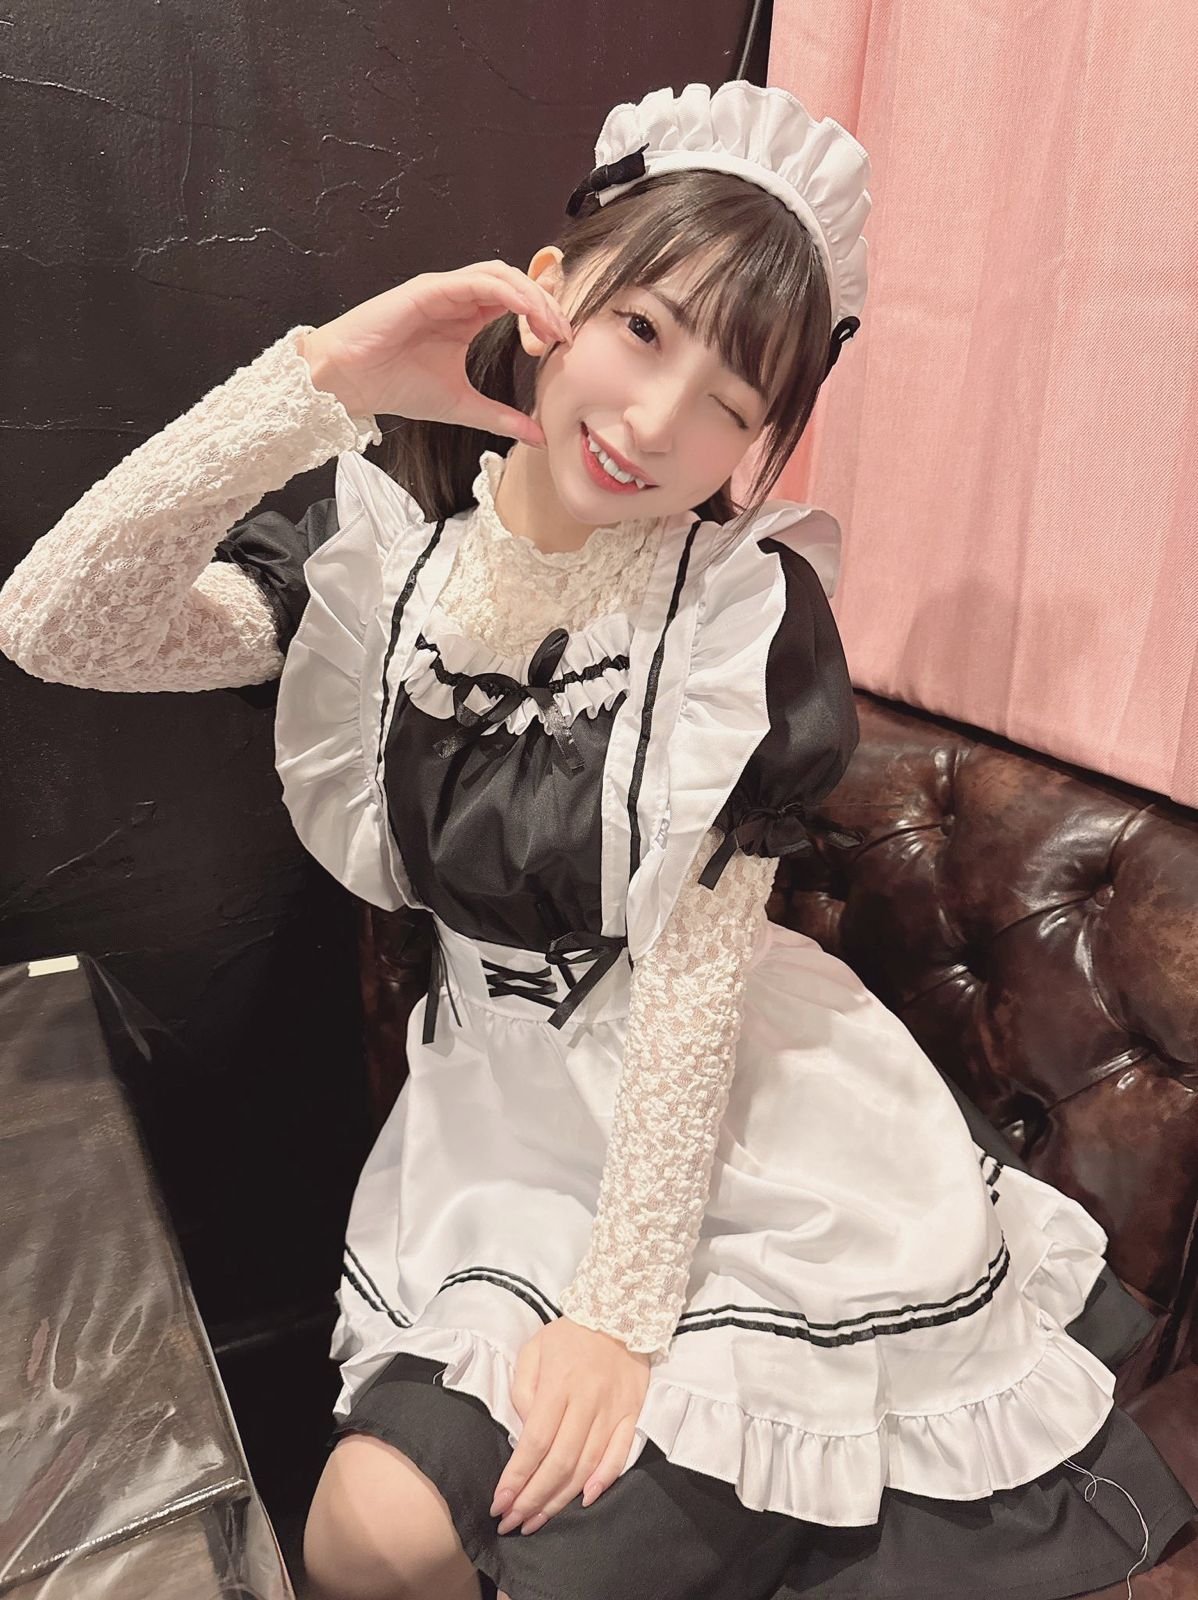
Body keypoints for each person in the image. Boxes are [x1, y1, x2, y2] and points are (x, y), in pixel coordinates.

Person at [1, 79, 1193, 1600]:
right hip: (499, 1128)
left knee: (555, 1546)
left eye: (732, 405)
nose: (655, 422)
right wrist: (326, 371)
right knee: (361, 1539)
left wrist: (618, 1321)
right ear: (552, 292)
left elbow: (694, 986)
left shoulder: (735, 616)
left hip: (732, 1130)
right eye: (642, 329)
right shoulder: (384, 554)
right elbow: (55, 623)